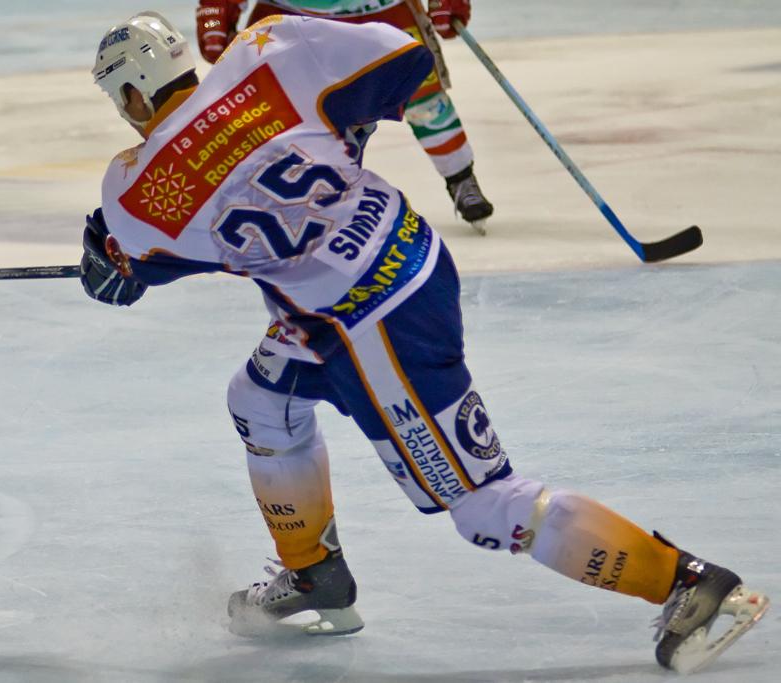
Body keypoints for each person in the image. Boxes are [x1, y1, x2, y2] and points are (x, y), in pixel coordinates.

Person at [82, 11, 769, 673]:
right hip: (402, 257)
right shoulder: (266, 53)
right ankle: (314, 575)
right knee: (262, 401)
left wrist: (107, 260)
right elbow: (404, 58)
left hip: (369, 324)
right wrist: (336, 133)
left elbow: (133, 272)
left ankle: (690, 583)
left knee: (485, 505)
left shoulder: (134, 191)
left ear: (134, 95)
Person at [196, 0, 495, 233]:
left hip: (383, 10)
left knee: (424, 100)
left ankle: (460, 178)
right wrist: (214, 11)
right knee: (267, 107)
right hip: (288, 15)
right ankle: (259, 192)